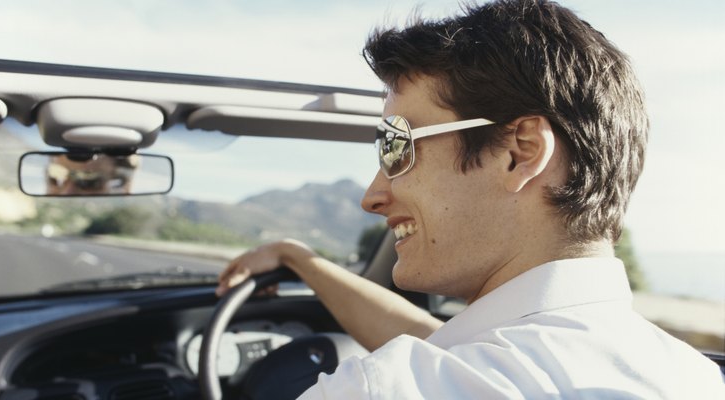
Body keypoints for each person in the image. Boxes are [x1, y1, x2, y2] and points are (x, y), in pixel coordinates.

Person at [217, 0, 725, 398]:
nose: (372, 195)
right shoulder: (692, 376)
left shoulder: (392, 389)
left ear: (520, 152)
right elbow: (440, 340)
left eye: (396, 145)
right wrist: (298, 258)